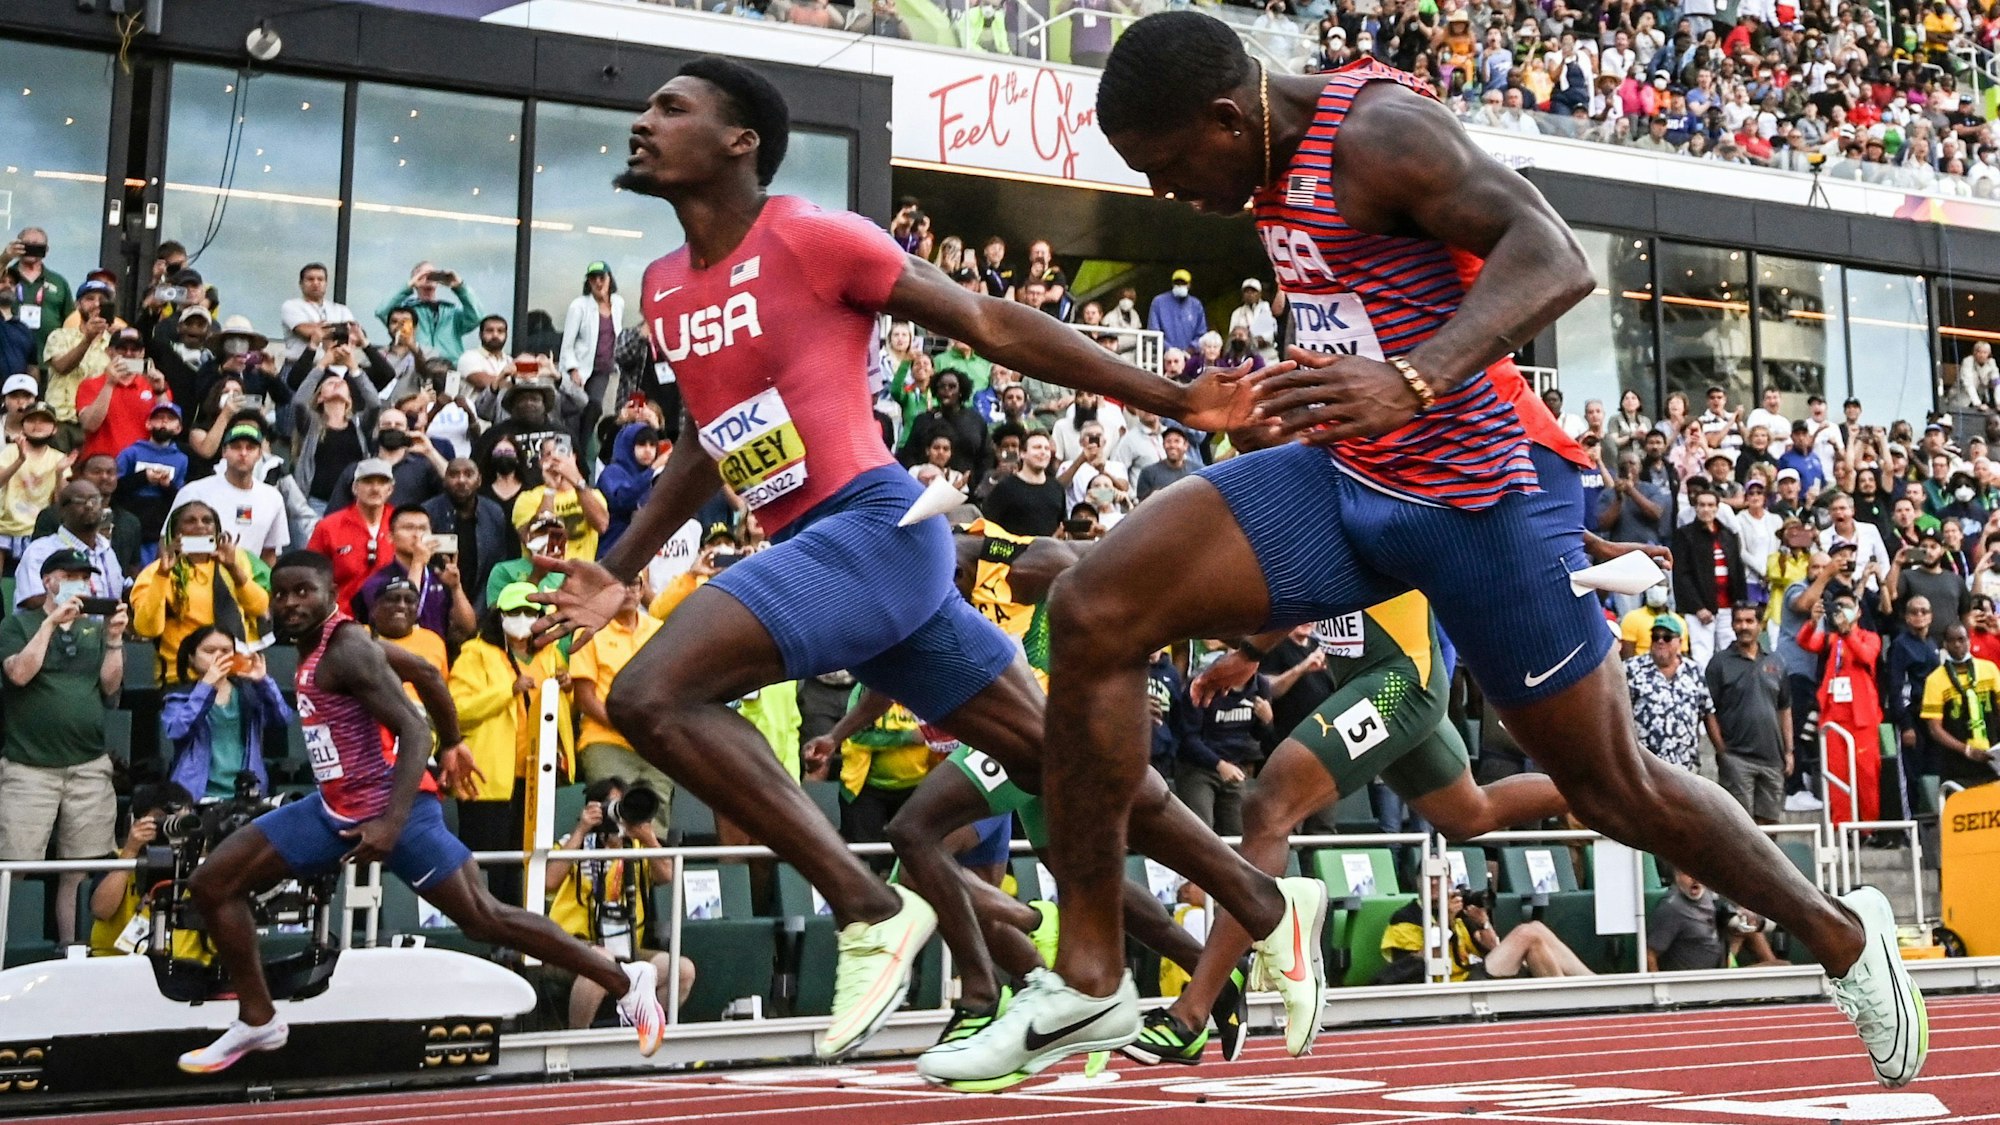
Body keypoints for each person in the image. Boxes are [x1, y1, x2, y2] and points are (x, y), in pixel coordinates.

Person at [984, 11, 1920, 1092]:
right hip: (1346, 478)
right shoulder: (1266, 162)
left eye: (1163, 166)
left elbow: (1551, 255)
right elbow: (1365, 301)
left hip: (1477, 500)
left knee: (1612, 786)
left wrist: (1411, 379)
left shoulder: (1377, 132)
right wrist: (1300, 392)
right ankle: (1089, 974)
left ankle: (1840, 935)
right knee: (1097, 606)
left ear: (1225, 117)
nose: (1163, 194)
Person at [535, 56, 1295, 1068]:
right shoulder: (665, 287)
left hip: (873, 530)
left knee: (649, 694)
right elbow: (703, 443)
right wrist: (618, 563)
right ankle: (1255, 900)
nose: (642, 123)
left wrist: (1171, 401)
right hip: (819, 552)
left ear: (737, 143)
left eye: (668, 109)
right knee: (1056, 762)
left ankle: (864, 906)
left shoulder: (810, 235)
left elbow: (990, 321)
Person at [175, 554, 659, 1073]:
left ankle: (625, 980)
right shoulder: (328, 643)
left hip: (394, 810)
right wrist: (454, 744)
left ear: (331, 593)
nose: (291, 604)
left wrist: (392, 816)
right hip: (335, 808)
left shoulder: (347, 650)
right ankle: (258, 1017)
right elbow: (426, 671)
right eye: (283, 594)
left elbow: (413, 729)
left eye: (304, 593)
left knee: (485, 918)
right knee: (212, 884)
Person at [1133, 592, 1577, 1061]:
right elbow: (1304, 583)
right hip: (1378, 677)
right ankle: (1606, 786)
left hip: (1397, 684)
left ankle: (1195, 1010)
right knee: (1468, 813)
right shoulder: (1310, 524)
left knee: (1268, 807)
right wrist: (1246, 651)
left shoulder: (1381, 517)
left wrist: (1249, 652)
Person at [0, 551, 126, 946]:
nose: (77, 581)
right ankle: (8, 949)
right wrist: (51, 623)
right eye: (68, 574)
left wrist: (115, 641)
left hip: (88, 765)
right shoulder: (18, 624)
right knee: (15, 867)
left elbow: (109, 687)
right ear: (47, 580)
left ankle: (76, 952)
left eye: (83, 576)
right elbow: (19, 673)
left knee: (80, 870)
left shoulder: (94, 631)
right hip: (28, 767)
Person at [448, 583, 574, 908]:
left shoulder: (549, 654)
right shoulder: (475, 653)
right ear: (499, 616)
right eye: (515, 612)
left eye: (531, 612)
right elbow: (458, 711)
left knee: (526, 858)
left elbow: (556, 713)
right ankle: (486, 929)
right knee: (488, 859)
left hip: (535, 774)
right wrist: (508, 689)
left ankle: (522, 928)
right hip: (488, 776)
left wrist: (566, 688)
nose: (522, 618)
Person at [546, 777, 696, 1027]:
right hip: (570, 947)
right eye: (610, 806)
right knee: (600, 962)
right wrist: (581, 830)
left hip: (627, 949)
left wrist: (648, 837)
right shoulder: (571, 844)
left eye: (622, 806)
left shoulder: (637, 848)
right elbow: (549, 881)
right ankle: (576, 1044)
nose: (617, 814)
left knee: (682, 970)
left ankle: (641, 1036)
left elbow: (667, 875)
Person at [569, 573, 674, 820]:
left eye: (633, 583)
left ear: (641, 590)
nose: (628, 590)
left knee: (655, 823)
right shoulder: (589, 631)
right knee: (613, 819)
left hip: (652, 744)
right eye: (620, 585)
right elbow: (585, 698)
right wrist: (625, 727)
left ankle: (649, 860)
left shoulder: (660, 631)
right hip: (606, 741)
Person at [130, 502, 270, 684]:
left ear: (216, 528)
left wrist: (233, 568)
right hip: (183, 678)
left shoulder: (236, 562)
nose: (200, 526)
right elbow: (147, 628)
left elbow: (260, 607)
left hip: (236, 674)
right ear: (175, 532)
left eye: (207, 521)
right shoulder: (155, 573)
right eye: (190, 521)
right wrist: (163, 575)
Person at [161, 627, 294, 800]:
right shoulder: (179, 697)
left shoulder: (248, 693)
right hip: (196, 795)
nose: (219, 656)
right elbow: (177, 730)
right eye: (209, 651)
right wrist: (207, 686)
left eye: (226, 651)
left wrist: (263, 682)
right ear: (191, 658)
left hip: (247, 792)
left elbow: (282, 719)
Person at [1799, 588, 1884, 827]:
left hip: (1862, 718)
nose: (1841, 610)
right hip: (1833, 716)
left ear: (1858, 611)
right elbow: (1805, 642)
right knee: (1836, 774)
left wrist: (1848, 632)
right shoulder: (1830, 640)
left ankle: (1868, 827)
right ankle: (1842, 825)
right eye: (1837, 606)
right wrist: (1813, 621)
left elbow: (1867, 656)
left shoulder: (1869, 637)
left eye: (1846, 605)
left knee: (1866, 773)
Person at [1707, 605, 1793, 824]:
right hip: (1737, 757)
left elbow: (1785, 708)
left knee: (1770, 826)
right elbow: (1708, 710)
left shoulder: (1777, 662)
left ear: (1760, 625)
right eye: (1738, 621)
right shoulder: (1719, 663)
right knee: (1739, 826)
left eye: (1749, 621)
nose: (1743, 626)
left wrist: (1789, 751)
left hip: (1772, 757)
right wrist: (1721, 749)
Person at [168, 418, 291, 566]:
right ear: (224, 451)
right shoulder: (193, 492)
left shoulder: (273, 498)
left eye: (250, 447)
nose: (243, 453)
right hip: (199, 578)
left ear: (259, 454)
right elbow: (167, 540)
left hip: (247, 583)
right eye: (236, 447)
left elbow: (269, 554)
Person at [353, 503, 476, 645]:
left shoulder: (439, 575)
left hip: (435, 655)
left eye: (423, 528)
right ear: (390, 537)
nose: (417, 535)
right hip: (395, 656)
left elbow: (468, 628)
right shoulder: (378, 581)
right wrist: (417, 563)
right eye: (408, 528)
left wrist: (456, 587)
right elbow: (404, 620)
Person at [14, 479, 124, 610]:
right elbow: (33, 601)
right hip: (56, 628)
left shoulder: (106, 550)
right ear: (62, 510)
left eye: (94, 500)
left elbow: (120, 590)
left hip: (105, 629)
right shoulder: (41, 550)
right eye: (79, 501)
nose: (89, 505)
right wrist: (92, 608)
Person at [425, 456, 515, 612]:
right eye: (454, 475)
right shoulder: (429, 512)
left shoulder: (494, 512)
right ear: (444, 480)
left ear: (479, 480)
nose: (461, 480)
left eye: (468, 474)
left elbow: (496, 565)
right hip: (437, 602)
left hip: (482, 602)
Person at [306, 457, 397, 607]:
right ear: (355, 488)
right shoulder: (329, 526)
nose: (375, 488)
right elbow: (311, 574)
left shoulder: (402, 524)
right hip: (343, 618)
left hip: (392, 617)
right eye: (368, 482)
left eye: (382, 482)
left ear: (390, 489)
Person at [1649, 870, 1784, 971]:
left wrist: (1742, 914)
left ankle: (1772, 975)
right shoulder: (1672, 908)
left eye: (1698, 872)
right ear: (1676, 875)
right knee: (1783, 967)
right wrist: (1659, 991)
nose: (1695, 879)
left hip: (1721, 959)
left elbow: (1723, 918)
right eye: (1687, 873)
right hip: (1706, 982)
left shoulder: (1707, 893)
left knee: (1747, 928)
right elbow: (1649, 955)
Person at [1921, 623, 2000, 794]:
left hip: (1993, 762)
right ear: (1945, 644)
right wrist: (1966, 750)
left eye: (1961, 639)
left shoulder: (1989, 669)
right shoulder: (1935, 680)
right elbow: (1935, 729)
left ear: (1969, 641)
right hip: (1956, 766)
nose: (1957, 645)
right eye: (1951, 640)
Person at [1671, 489, 1745, 670]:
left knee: (1730, 652)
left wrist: (1739, 603)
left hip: (1727, 606)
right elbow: (1681, 575)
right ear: (1695, 508)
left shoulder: (1728, 535)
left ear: (1717, 508)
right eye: (1702, 505)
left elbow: (1737, 569)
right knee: (1702, 655)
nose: (1706, 509)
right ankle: (1704, 696)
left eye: (1710, 505)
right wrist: (1697, 607)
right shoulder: (1685, 535)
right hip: (1701, 608)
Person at [0, 396, 70, 574]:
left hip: (39, 529)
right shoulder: (10, 451)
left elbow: (60, 502)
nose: (37, 425)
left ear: (54, 429)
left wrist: (60, 473)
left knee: (36, 579)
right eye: (32, 420)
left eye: (44, 421)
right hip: (4, 525)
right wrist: (20, 460)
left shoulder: (58, 458)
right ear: (23, 425)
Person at [375, 262, 483, 363]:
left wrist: (460, 287)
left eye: (433, 275)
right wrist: (408, 286)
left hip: (449, 367)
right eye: (423, 275)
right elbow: (382, 311)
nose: (428, 278)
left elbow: (477, 317)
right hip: (416, 366)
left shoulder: (452, 313)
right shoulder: (406, 313)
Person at [979, 432, 1065, 536]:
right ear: (1022, 453)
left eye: (1046, 448)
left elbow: (1062, 524)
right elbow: (988, 525)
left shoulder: (1057, 488)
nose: (1043, 452)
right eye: (1037, 447)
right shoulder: (1005, 488)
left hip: (1050, 550)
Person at [1147, 268, 1207, 353]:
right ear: (1172, 284)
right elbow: (1153, 332)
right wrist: (1169, 349)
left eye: (1183, 283)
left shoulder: (1196, 305)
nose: (1180, 286)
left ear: (1189, 285)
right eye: (1177, 283)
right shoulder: (1158, 302)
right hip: (1164, 356)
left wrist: (1190, 349)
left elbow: (1202, 333)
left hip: (1190, 357)